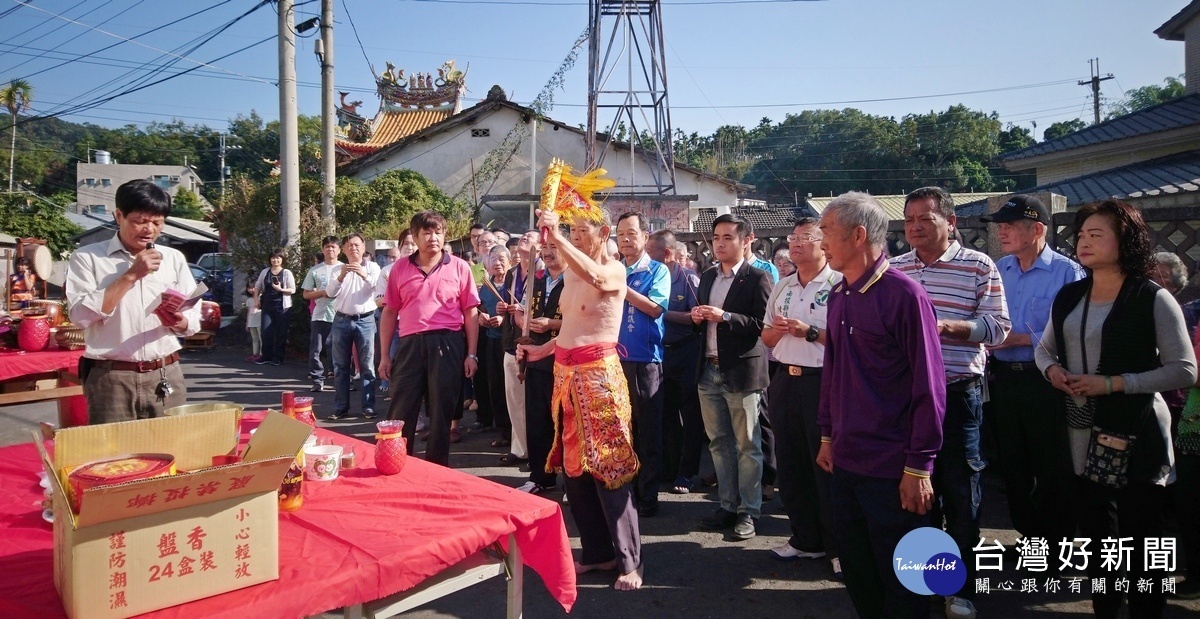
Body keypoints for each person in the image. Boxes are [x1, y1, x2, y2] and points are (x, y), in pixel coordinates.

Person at [1036, 200, 1196, 619]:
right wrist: (1053, 370)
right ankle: (1106, 608)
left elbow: (1183, 369)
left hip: (1136, 428)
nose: (1084, 242)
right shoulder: (1070, 294)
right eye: (1082, 234)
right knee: (1097, 532)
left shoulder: (1152, 297)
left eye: (1096, 234)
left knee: (1143, 533)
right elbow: (1044, 349)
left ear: (1125, 240)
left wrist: (1113, 384)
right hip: (1081, 427)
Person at [815, 191, 945, 619]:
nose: (820, 241)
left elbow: (930, 385)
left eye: (827, 231)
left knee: (907, 581)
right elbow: (832, 372)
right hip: (847, 461)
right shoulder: (839, 295)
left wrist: (919, 466)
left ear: (858, 235)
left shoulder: (905, 296)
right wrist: (827, 434)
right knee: (859, 570)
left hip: (894, 467)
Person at [891, 186, 1011, 619]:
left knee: (961, 491)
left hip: (959, 393)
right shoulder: (896, 268)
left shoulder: (979, 265)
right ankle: (924, 580)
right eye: (909, 220)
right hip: (906, 397)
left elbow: (997, 328)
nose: (915, 227)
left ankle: (962, 589)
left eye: (925, 218)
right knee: (913, 492)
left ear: (951, 222)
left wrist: (948, 328)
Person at [517, 206, 643, 591]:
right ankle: (597, 552)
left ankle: (629, 561)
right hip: (565, 375)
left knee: (610, 467)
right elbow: (571, 327)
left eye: (580, 231)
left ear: (603, 232)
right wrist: (540, 351)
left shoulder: (614, 270)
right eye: (569, 230)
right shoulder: (571, 272)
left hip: (598, 377)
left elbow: (596, 275)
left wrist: (553, 239)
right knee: (574, 469)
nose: (573, 237)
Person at [982, 194, 1084, 552]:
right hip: (1003, 380)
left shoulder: (1068, 273)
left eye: (1009, 227)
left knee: (1053, 462)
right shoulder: (999, 269)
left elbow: (1074, 333)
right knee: (1013, 463)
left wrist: (1017, 338)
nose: (1002, 233)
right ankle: (1031, 538)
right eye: (1001, 227)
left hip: (1046, 382)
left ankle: (1060, 543)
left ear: (1037, 229)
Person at [66, 179, 201, 423]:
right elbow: (81, 317)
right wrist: (130, 275)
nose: (149, 229)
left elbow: (193, 321)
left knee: (173, 451)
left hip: (165, 373)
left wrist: (179, 319)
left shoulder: (173, 258)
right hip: (111, 379)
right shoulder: (87, 258)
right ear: (119, 216)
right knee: (114, 456)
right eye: (140, 220)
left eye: (157, 222)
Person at [760, 218, 842, 576]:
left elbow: (848, 342)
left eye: (804, 237)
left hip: (823, 381)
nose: (794, 244)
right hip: (785, 379)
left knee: (827, 465)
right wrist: (778, 333)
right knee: (791, 463)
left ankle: (840, 546)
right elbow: (765, 338)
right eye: (792, 238)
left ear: (825, 242)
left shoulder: (839, 284)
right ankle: (805, 538)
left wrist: (809, 333)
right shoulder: (783, 286)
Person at [692, 214, 773, 541]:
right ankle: (727, 505)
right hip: (708, 368)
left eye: (728, 237)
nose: (720, 244)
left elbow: (761, 326)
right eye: (716, 238)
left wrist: (723, 316)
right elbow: (702, 319)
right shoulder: (708, 276)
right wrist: (699, 316)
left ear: (746, 240)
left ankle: (748, 512)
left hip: (741, 371)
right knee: (719, 443)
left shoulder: (758, 277)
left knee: (747, 446)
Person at [379, 211, 480, 466]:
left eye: (438, 232)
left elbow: (471, 312)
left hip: (448, 343)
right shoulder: (400, 268)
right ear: (414, 236)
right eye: (426, 232)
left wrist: (471, 354)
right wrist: (383, 356)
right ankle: (397, 462)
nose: (433, 238)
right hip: (410, 344)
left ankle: (436, 468)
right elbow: (390, 311)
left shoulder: (460, 267)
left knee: (441, 411)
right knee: (401, 408)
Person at [615, 213, 670, 517]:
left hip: (645, 361)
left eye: (632, 233)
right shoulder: (614, 269)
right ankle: (627, 492)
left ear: (645, 237)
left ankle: (648, 495)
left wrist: (620, 286)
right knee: (623, 431)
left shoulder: (657, 270)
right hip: (615, 360)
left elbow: (654, 308)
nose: (625, 239)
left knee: (647, 431)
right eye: (620, 233)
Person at [646, 230, 704, 495]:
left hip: (686, 351)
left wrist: (660, 312)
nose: (646, 258)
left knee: (690, 416)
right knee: (665, 414)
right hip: (659, 352)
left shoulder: (688, 278)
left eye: (650, 253)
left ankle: (687, 471)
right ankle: (667, 467)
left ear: (667, 254)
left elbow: (696, 317)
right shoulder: (649, 276)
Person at [514, 242, 566, 494]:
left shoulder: (577, 279)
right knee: (537, 420)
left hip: (565, 360)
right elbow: (520, 311)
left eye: (555, 246)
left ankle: (574, 483)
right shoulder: (536, 279)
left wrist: (551, 324)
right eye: (545, 247)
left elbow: (584, 320)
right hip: (534, 358)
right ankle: (540, 476)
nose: (548, 252)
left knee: (565, 423)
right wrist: (522, 319)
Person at [496, 231, 543, 464]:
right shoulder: (512, 273)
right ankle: (519, 448)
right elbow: (508, 303)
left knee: (535, 400)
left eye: (531, 236)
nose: (524, 237)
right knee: (514, 397)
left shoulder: (545, 271)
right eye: (523, 235)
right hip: (511, 341)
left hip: (538, 342)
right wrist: (503, 309)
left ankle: (538, 450)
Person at [325, 233, 381, 420]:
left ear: (364, 248)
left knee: (367, 365)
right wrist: (341, 276)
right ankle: (341, 407)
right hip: (341, 320)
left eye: (357, 245)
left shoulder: (372, 267)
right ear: (343, 250)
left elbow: (377, 287)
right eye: (349, 245)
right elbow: (330, 292)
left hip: (365, 320)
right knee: (340, 366)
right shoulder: (337, 269)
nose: (353, 248)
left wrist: (362, 273)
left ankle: (368, 406)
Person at [478, 247, 513, 447]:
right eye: (493, 259)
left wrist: (504, 317)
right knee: (496, 386)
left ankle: (517, 433)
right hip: (491, 341)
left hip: (509, 342)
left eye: (501, 259)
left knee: (512, 388)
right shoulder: (486, 285)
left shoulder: (513, 283)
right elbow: (481, 308)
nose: (497, 263)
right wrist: (481, 317)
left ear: (509, 261)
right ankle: (503, 432)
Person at [301, 236, 342, 392]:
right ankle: (318, 379)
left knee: (339, 349)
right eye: (327, 247)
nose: (330, 249)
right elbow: (306, 294)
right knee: (316, 349)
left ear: (339, 250)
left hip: (341, 314)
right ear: (323, 249)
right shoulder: (315, 270)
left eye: (333, 247)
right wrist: (323, 293)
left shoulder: (345, 268)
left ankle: (341, 379)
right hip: (320, 314)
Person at [254, 249, 296, 367]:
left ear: (282, 259)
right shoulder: (265, 272)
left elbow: (293, 290)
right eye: (273, 257)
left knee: (281, 332)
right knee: (266, 331)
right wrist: (256, 299)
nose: (275, 260)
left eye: (278, 257)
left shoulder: (287, 273)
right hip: (267, 306)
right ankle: (266, 356)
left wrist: (280, 289)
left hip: (282, 307)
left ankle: (278, 357)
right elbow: (257, 286)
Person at [243, 281, 262, 362]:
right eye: (249, 288)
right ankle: (255, 353)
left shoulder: (261, 297)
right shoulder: (249, 300)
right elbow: (248, 312)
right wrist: (247, 323)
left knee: (261, 338)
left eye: (252, 287)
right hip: (252, 321)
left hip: (259, 321)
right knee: (254, 338)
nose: (251, 289)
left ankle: (262, 354)